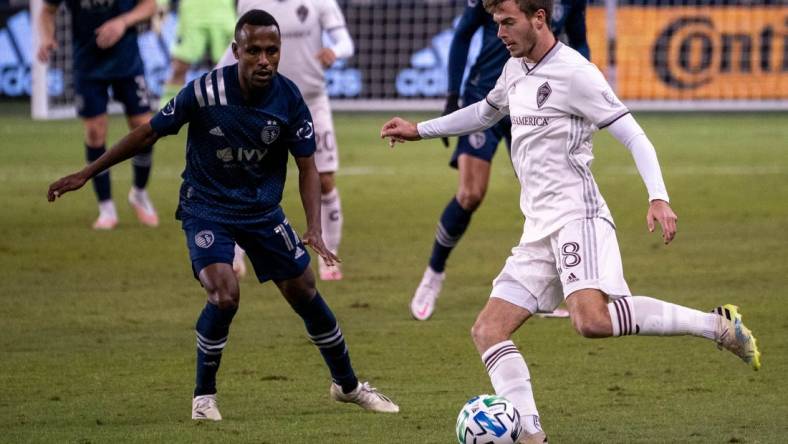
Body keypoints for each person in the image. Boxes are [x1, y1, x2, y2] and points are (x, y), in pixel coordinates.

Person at [381, 0, 760, 441]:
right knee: (487, 329)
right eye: (495, 24)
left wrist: (659, 197)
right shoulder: (513, 68)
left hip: (577, 216)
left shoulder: (576, 72)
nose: (499, 33)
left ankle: (718, 326)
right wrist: (420, 130)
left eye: (507, 23)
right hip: (537, 228)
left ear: (538, 18)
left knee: (591, 322)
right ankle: (530, 434)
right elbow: (485, 112)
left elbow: (634, 135)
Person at [48, 10, 399, 421]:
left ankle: (348, 385)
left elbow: (308, 167)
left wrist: (314, 227)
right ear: (236, 51)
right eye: (254, 51)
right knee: (224, 292)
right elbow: (147, 132)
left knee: (304, 289)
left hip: (261, 210)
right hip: (206, 207)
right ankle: (203, 397)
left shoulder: (288, 99)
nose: (264, 59)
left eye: (272, 50)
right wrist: (87, 173)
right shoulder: (204, 92)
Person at [411, 0, 579, 320]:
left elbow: (578, 37)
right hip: (485, 95)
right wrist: (451, 95)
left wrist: (579, 78)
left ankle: (540, 289)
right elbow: (463, 34)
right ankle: (434, 274)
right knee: (470, 193)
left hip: (536, 101)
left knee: (545, 194)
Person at [220, 0, 355, 281]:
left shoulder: (321, 2)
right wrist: (213, 79)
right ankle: (233, 254)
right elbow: (237, 48)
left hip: (312, 100)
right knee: (242, 173)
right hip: (262, 103)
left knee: (325, 178)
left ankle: (329, 256)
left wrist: (335, 51)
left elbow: (346, 43)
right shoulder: (250, 3)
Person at [37, 0, 159, 229]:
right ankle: (106, 207)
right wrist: (46, 37)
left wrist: (123, 22)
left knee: (144, 127)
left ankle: (139, 193)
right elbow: (46, 11)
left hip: (127, 60)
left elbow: (150, 6)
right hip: (88, 63)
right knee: (95, 131)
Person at [159, 0, 236, 105]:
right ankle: (168, 108)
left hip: (223, 14)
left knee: (230, 69)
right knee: (179, 67)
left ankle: (230, 109)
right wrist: (161, 4)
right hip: (193, 14)